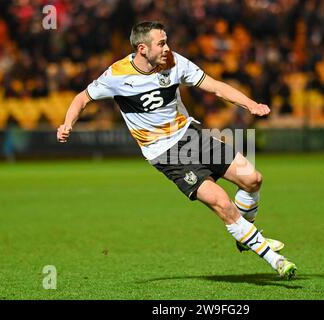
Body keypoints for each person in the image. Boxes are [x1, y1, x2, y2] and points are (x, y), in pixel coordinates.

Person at [57, 21, 296, 279]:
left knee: (253, 179)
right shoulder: (117, 75)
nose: (167, 48)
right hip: (165, 153)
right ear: (142, 48)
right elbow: (82, 98)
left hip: (191, 134)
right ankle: (277, 261)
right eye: (161, 43)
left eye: (166, 41)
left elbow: (215, 86)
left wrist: (250, 104)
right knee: (221, 201)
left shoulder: (174, 62)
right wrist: (67, 123)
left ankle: (245, 236)